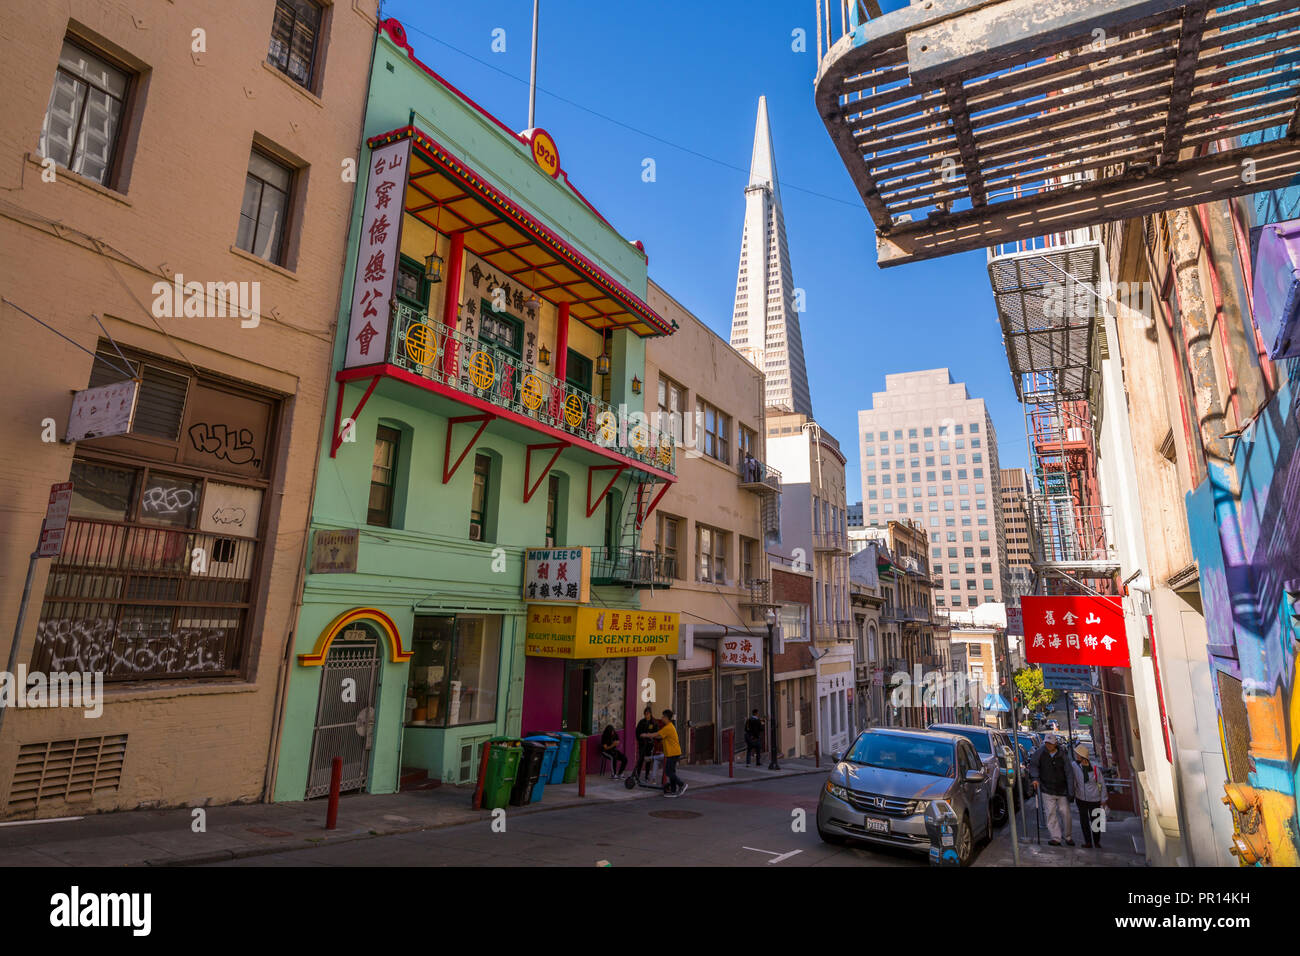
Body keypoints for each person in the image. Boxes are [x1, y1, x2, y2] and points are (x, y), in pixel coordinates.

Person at [1026, 733, 1076, 846]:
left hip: (1061, 789)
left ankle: (1068, 836)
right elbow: (1033, 765)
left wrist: (1070, 790)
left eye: (1050, 743)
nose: (1048, 745)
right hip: (1046, 788)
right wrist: (1035, 778)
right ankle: (1056, 837)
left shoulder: (1062, 755)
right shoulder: (1040, 753)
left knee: (1066, 813)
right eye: (1047, 743)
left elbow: (1069, 773)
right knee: (1050, 814)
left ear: (1055, 744)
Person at [640, 708, 687, 797]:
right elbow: (659, 736)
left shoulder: (668, 727)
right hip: (672, 752)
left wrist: (646, 735)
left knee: (668, 772)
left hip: (673, 753)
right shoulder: (669, 727)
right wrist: (652, 737)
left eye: (663, 717)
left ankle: (682, 785)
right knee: (671, 772)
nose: (661, 718)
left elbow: (657, 734)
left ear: (666, 718)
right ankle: (673, 791)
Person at [1071, 744, 1107, 848]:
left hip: (1094, 799)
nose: (1076, 755)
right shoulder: (1075, 766)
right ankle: (1088, 842)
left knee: (1096, 821)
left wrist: (1103, 798)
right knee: (1084, 821)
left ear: (1082, 756)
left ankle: (1096, 841)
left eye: (1078, 754)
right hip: (1081, 798)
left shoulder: (1095, 768)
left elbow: (1101, 784)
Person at [634, 706, 659, 782]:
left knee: (648, 760)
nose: (646, 715)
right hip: (642, 744)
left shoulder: (654, 723)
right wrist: (640, 740)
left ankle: (646, 776)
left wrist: (651, 737)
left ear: (650, 714)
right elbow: (637, 732)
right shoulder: (641, 722)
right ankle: (637, 774)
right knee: (640, 759)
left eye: (647, 714)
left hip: (650, 744)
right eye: (645, 714)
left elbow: (656, 733)